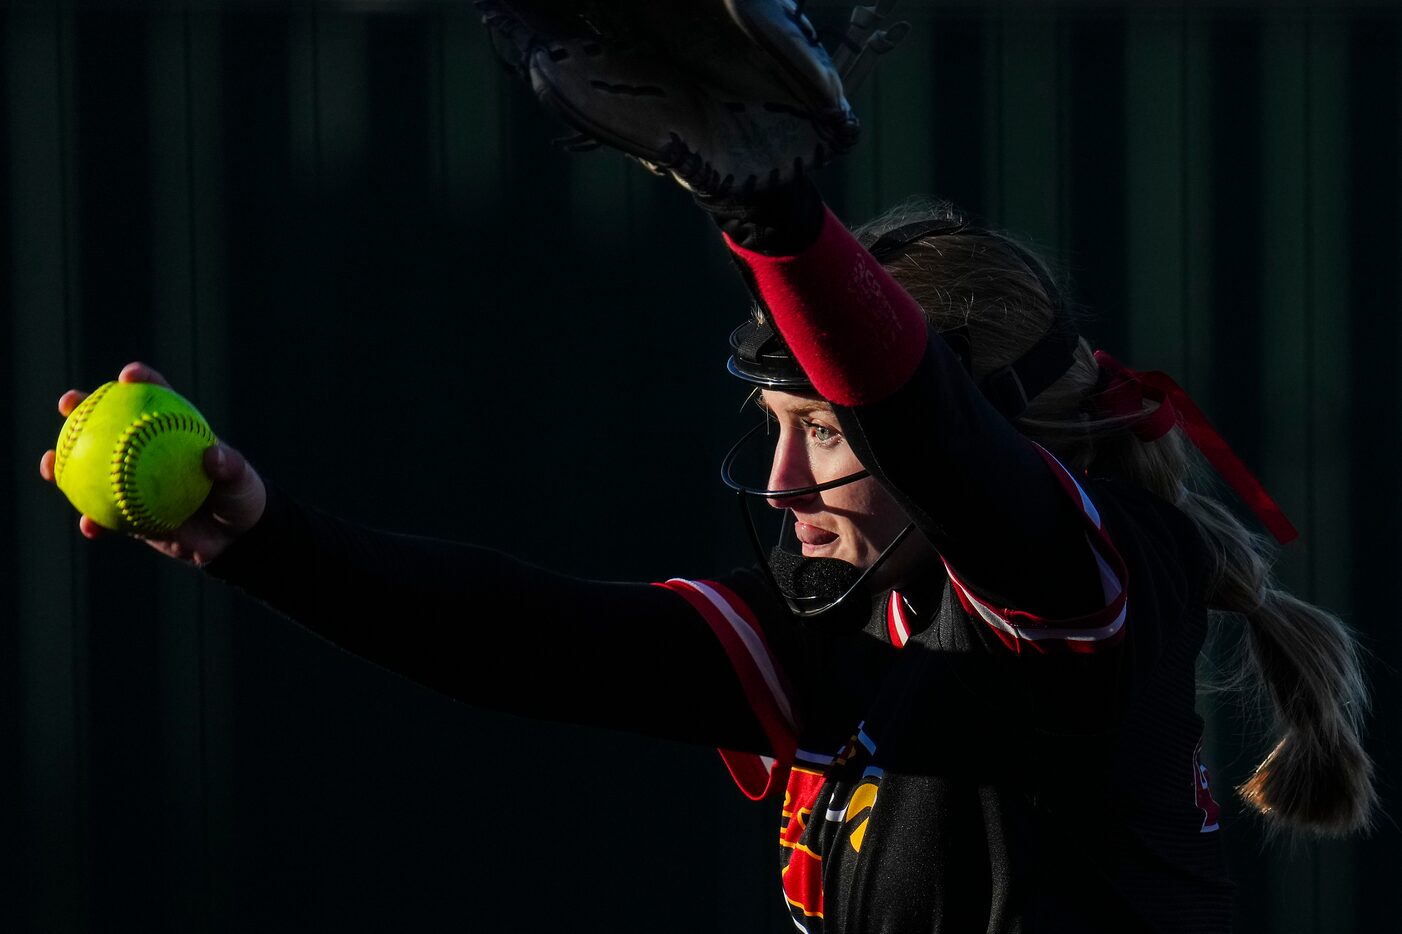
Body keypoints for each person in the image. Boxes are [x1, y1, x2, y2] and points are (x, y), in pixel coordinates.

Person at [39, 4, 1375, 931]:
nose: (787, 483)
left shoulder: (1080, 610)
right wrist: (265, 536)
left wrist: (776, 218)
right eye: (781, 429)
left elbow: (944, 448)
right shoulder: (853, 628)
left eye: (828, 434)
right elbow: (536, 639)